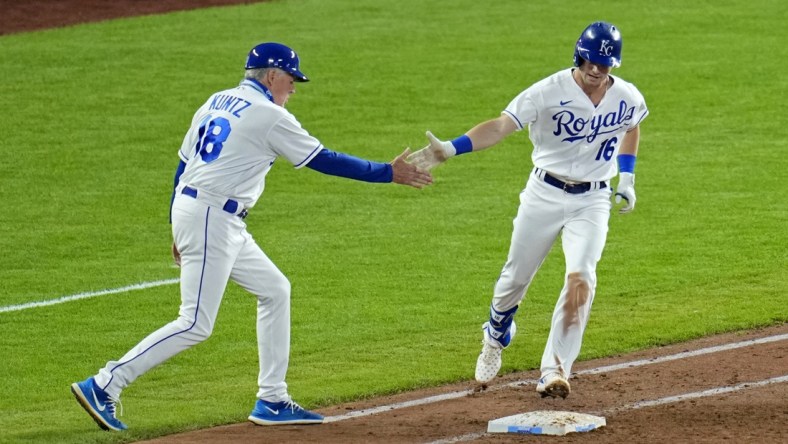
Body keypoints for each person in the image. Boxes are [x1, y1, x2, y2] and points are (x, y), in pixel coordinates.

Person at [71, 42, 433, 432]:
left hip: (205, 213)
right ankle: (106, 383)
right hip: (212, 216)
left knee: (275, 289)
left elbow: (183, 163)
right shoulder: (268, 115)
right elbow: (322, 159)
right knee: (194, 323)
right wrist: (386, 172)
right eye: (291, 80)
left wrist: (175, 224)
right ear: (273, 75)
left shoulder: (218, 99)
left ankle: (272, 399)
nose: (293, 89)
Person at [408, 22, 647, 399]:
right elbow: (502, 127)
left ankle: (555, 369)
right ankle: (496, 333)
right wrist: (451, 148)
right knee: (513, 281)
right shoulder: (547, 92)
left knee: (581, 277)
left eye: (605, 64)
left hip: (593, 199)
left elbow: (632, 128)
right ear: (578, 55)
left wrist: (628, 177)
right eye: (591, 61)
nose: (596, 70)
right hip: (544, 194)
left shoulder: (628, 97)